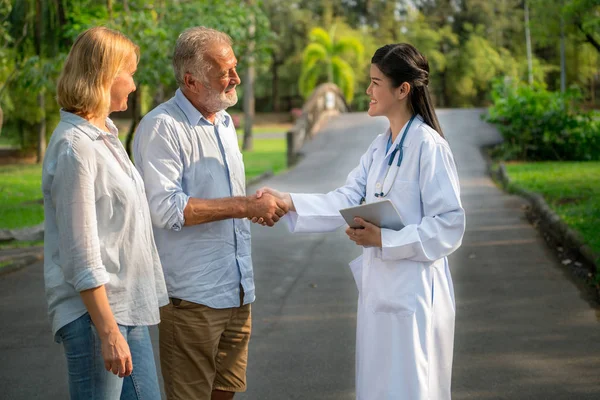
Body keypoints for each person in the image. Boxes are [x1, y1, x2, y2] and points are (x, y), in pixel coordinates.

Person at [256, 43, 465, 399]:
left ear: (403, 90)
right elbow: (346, 198)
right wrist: (288, 201)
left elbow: (449, 225)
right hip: (380, 291)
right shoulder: (380, 147)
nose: (367, 91)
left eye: (375, 82)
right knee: (377, 387)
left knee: (413, 388)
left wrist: (385, 239)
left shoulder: (429, 147)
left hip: (415, 295)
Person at [133, 26, 288, 400]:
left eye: (235, 67)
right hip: (192, 298)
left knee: (225, 391)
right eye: (225, 72)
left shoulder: (223, 121)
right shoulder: (162, 128)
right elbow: (166, 208)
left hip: (236, 290)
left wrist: (251, 206)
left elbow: (221, 199)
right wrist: (244, 206)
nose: (235, 78)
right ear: (191, 80)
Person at [42, 27, 168, 400]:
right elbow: (80, 254)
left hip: (125, 310)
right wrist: (109, 332)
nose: (133, 84)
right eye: (128, 73)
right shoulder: (75, 149)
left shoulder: (104, 138)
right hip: (96, 318)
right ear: (103, 76)